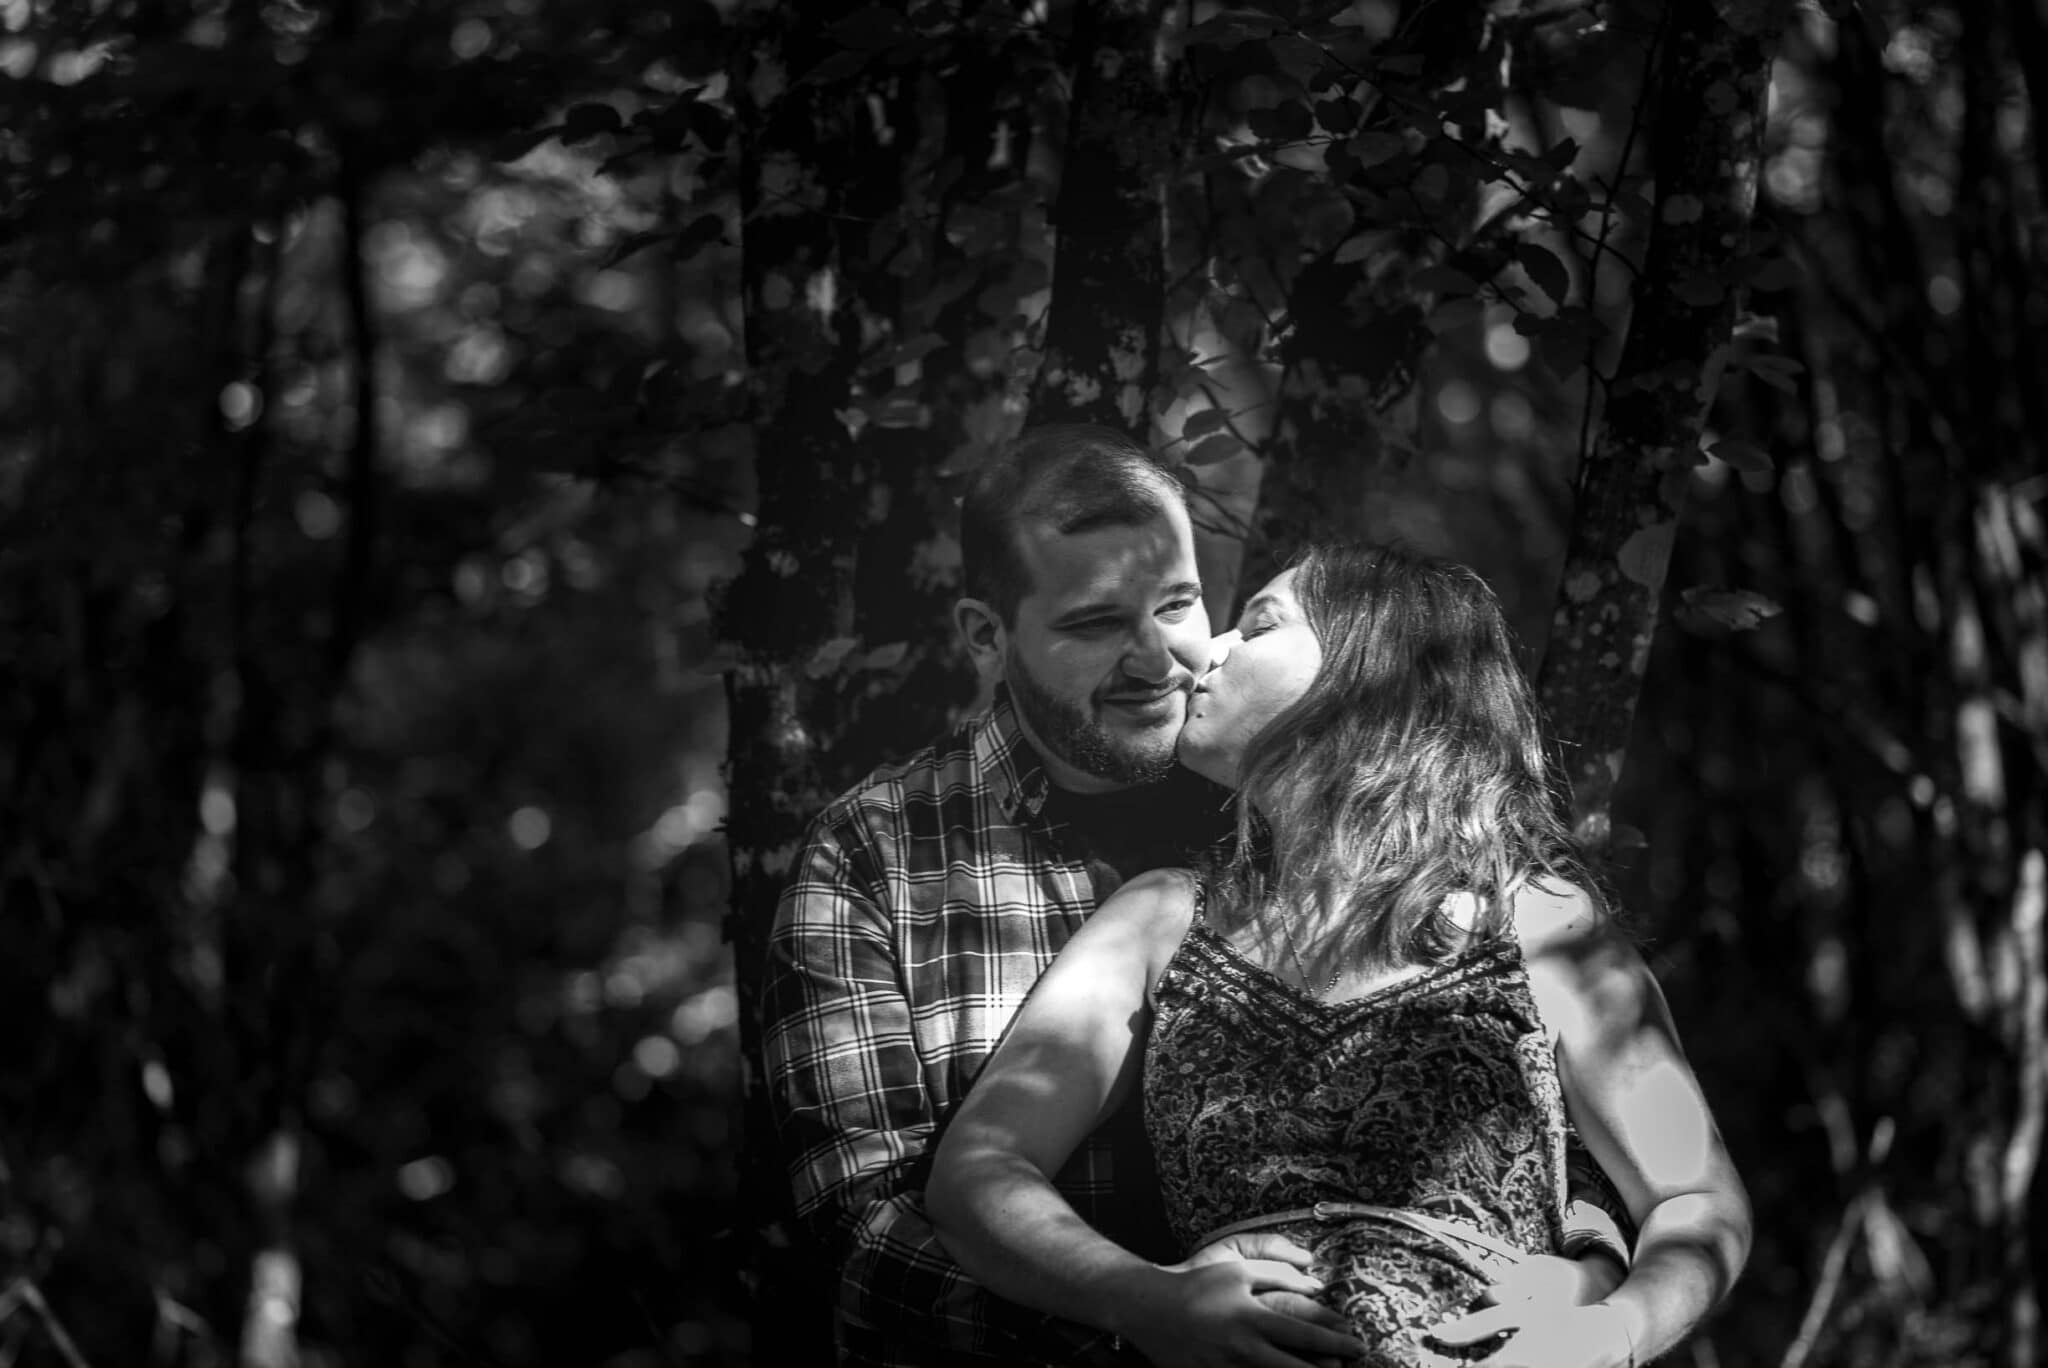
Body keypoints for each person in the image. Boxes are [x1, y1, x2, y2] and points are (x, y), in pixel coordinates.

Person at [765, 427, 1631, 1367]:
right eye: (1095, 625)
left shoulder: (1287, 786)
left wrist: (1581, 1265)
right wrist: (1152, 1322)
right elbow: (859, 1231)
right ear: (987, 634)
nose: (1161, 660)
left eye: (1177, 604)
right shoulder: (879, 852)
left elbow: (1508, 1088)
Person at [925, 543, 1752, 1368]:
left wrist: (1611, 1335)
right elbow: (978, 1171)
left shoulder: (1537, 920)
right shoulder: (1161, 918)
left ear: (1374, 673)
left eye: (1259, 625)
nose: (1207, 651)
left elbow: (1695, 1198)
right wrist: (1142, 1296)